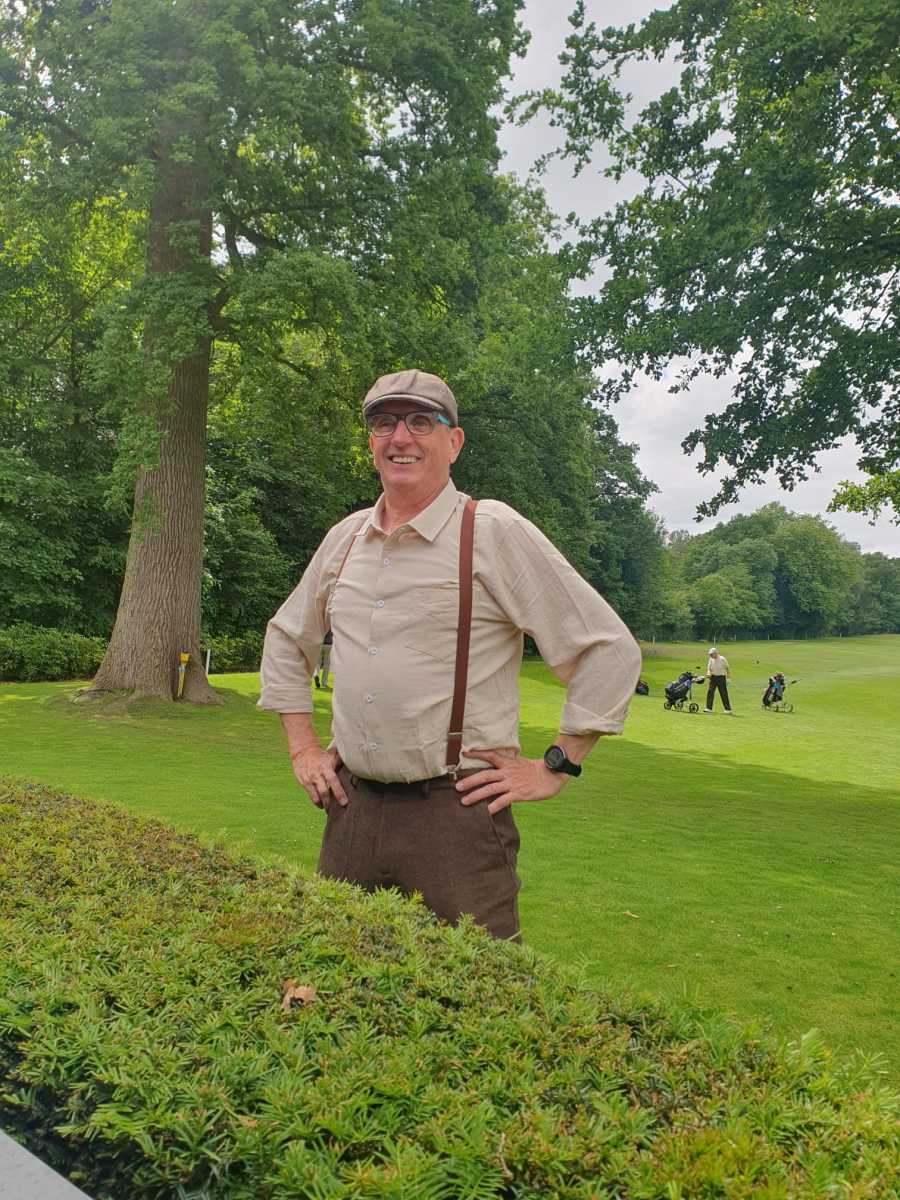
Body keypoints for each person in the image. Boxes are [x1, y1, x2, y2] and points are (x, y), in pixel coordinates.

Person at [258, 369, 642, 940]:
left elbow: (608, 649)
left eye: (421, 422)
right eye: (385, 423)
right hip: (350, 810)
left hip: (455, 817)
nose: (401, 437)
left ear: (454, 441)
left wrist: (556, 765)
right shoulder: (346, 539)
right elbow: (287, 639)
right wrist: (302, 750)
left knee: (481, 987)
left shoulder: (491, 530)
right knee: (337, 976)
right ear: (371, 443)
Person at [705, 647, 733, 713]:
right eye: (710, 654)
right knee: (710, 692)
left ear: (716, 653)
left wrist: (728, 678)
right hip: (713, 678)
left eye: (711, 654)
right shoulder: (711, 659)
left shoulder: (722, 659)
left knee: (723, 693)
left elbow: (727, 668)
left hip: (721, 678)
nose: (710, 656)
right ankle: (708, 708)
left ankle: (728, 709)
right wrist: (708, 673)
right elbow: (709, 669)